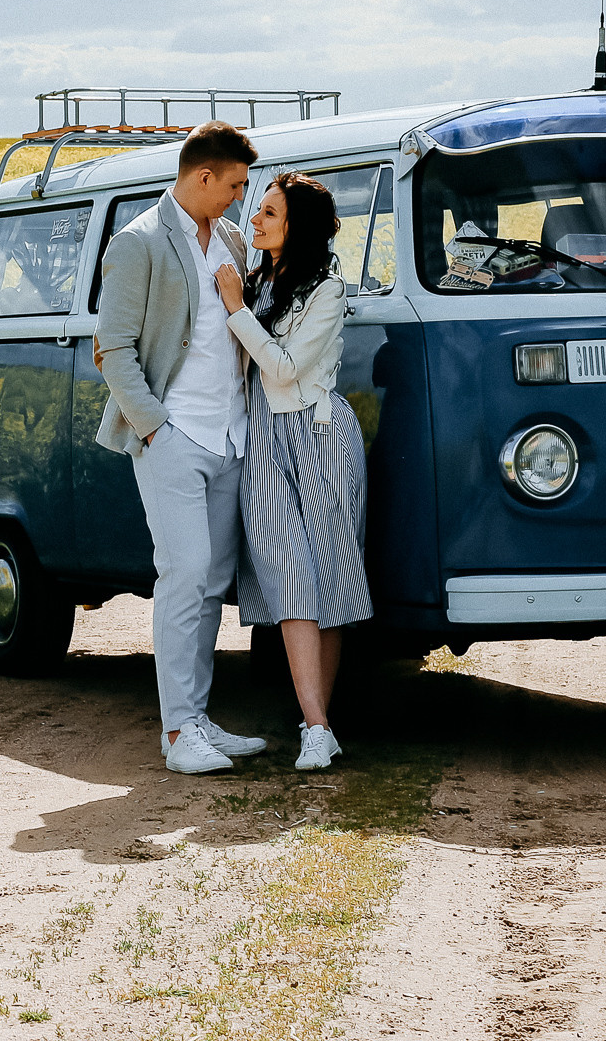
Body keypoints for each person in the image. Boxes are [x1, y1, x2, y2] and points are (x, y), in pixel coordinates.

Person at [93, 121, 271, 775]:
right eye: (234, 186)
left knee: (209, 583)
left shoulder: (227, 240)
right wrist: (155, 430)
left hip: (230, 436)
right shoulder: (137, 242)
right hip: (173, 438)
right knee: (185, 572)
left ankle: (196, 719)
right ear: (203, 177)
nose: (239, 200)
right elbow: (112, 348)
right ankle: (175, 736)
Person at [215, 172, 370, 771]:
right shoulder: (259, 281)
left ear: (296, 227)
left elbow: (281, 369)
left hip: (317, 435)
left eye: (270, 215)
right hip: (264, 440)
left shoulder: (326, 289)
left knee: (323, 580)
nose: (256, 221)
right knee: (289, 580)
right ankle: (316, 725)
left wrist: (235, 308)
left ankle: (317, 725)